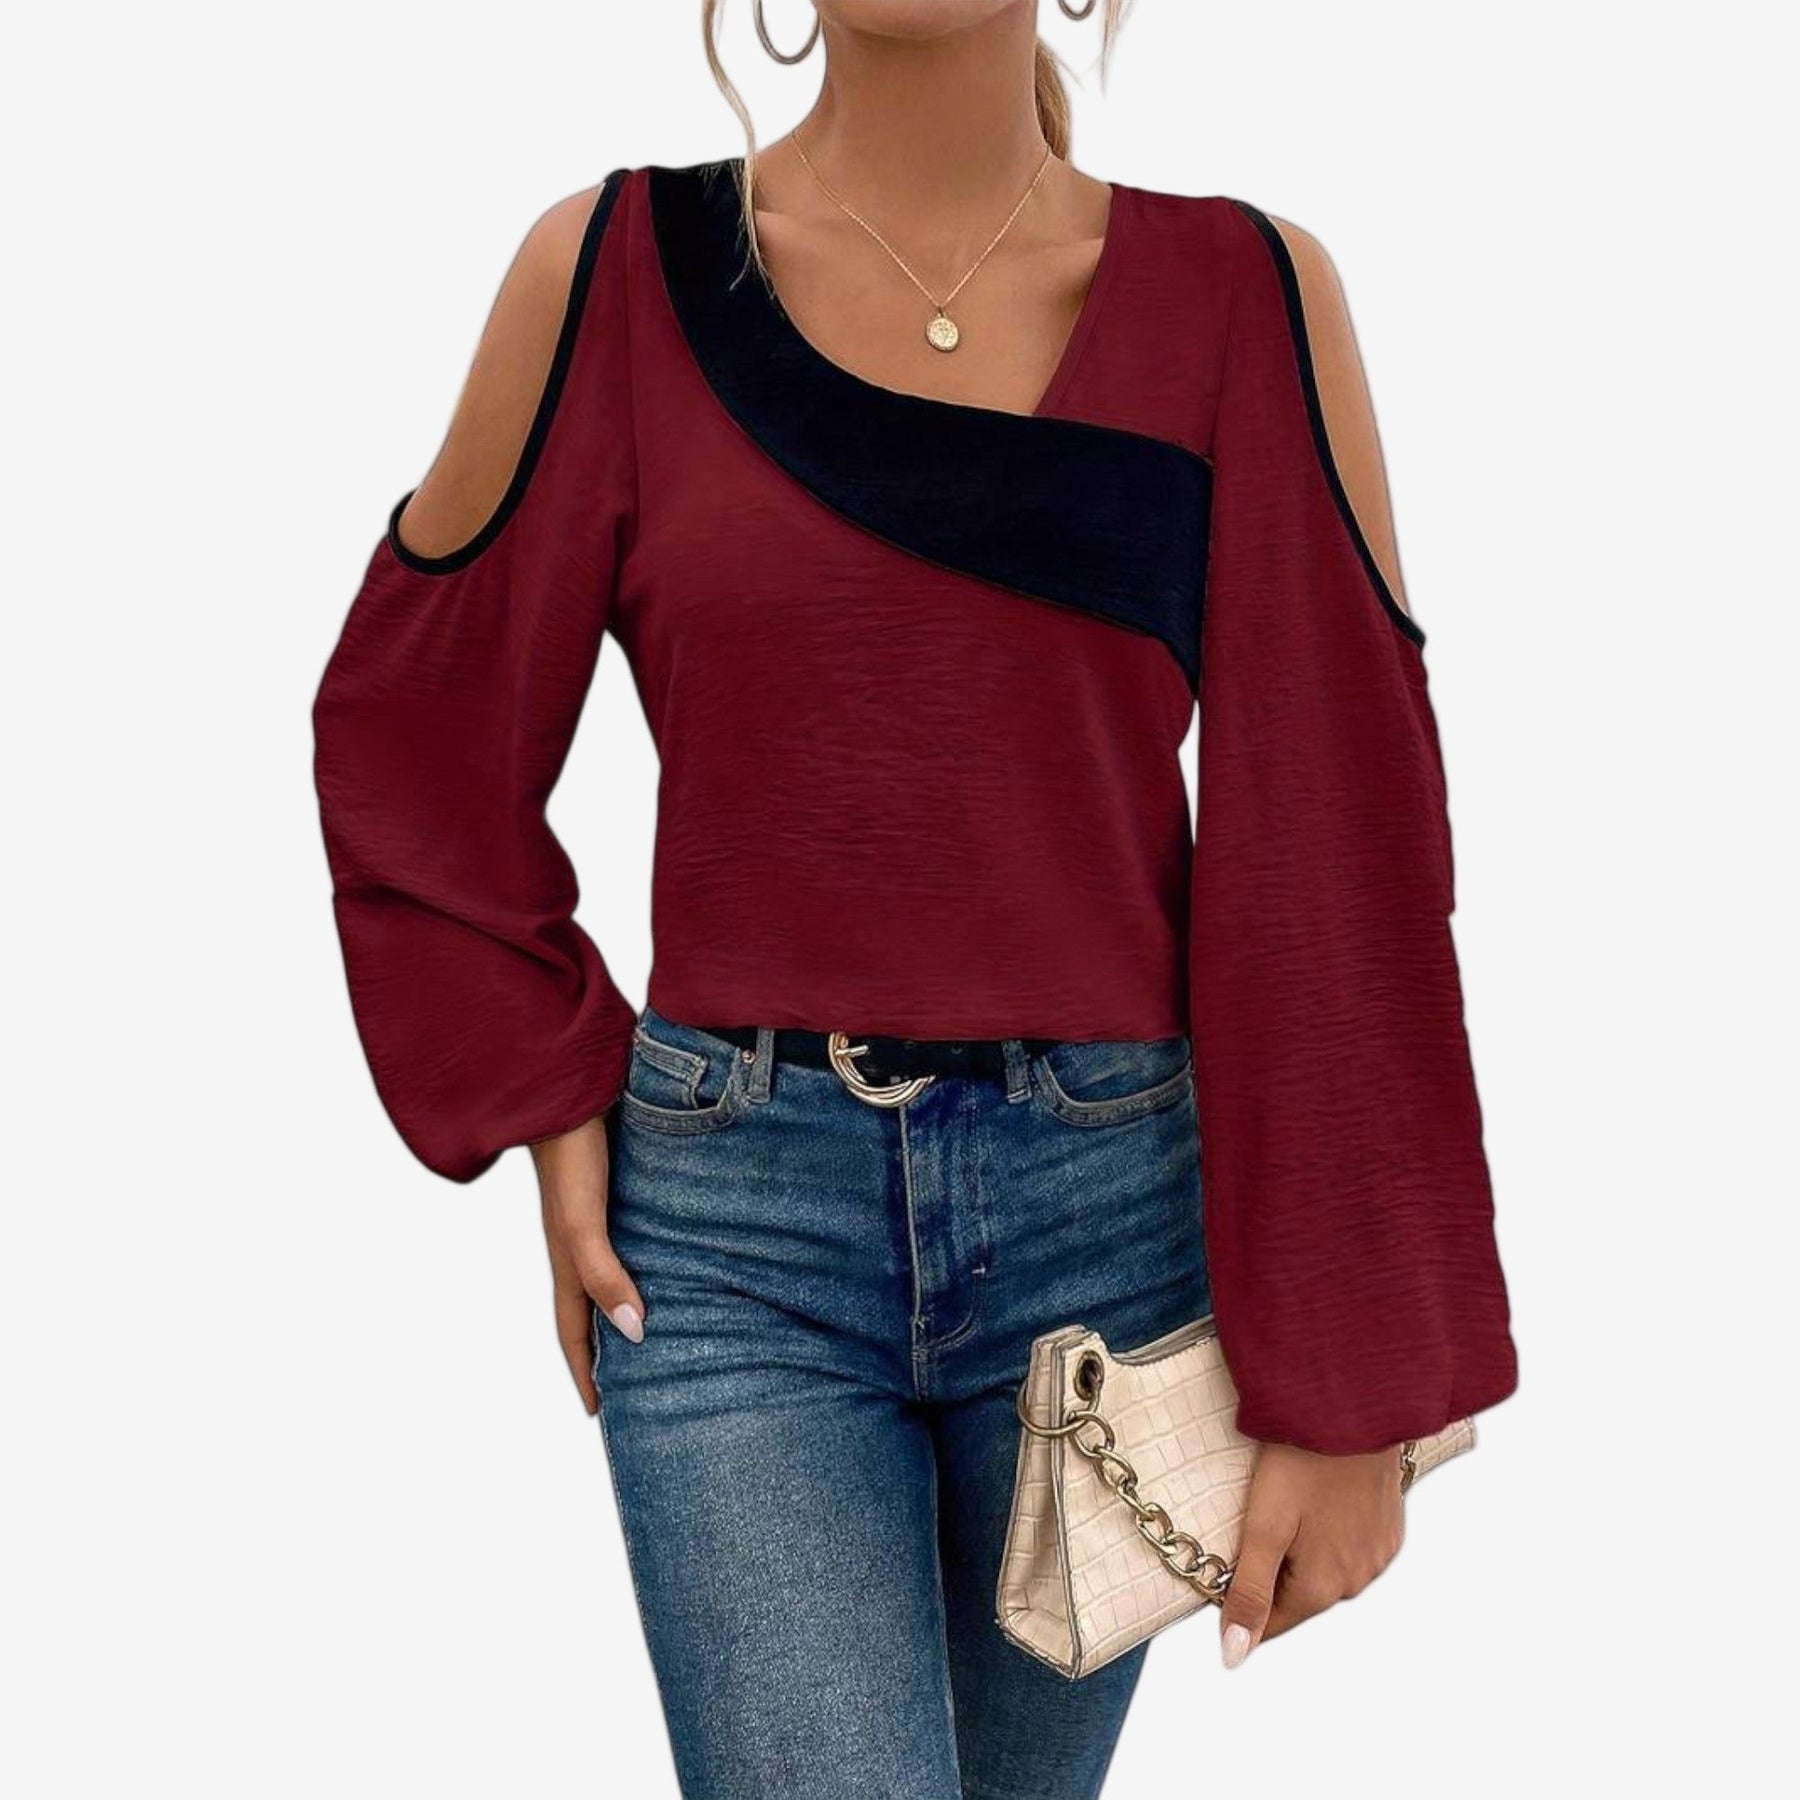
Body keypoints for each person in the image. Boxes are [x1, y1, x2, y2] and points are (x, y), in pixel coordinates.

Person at [310, 3, 1518, 1793]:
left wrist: (1358, 1379)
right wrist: (545, 1087)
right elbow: (412, 731)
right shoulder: (611, 276)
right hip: (735, 1246)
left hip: (1110, 1245)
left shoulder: (1248, 296)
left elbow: (1338, 840)